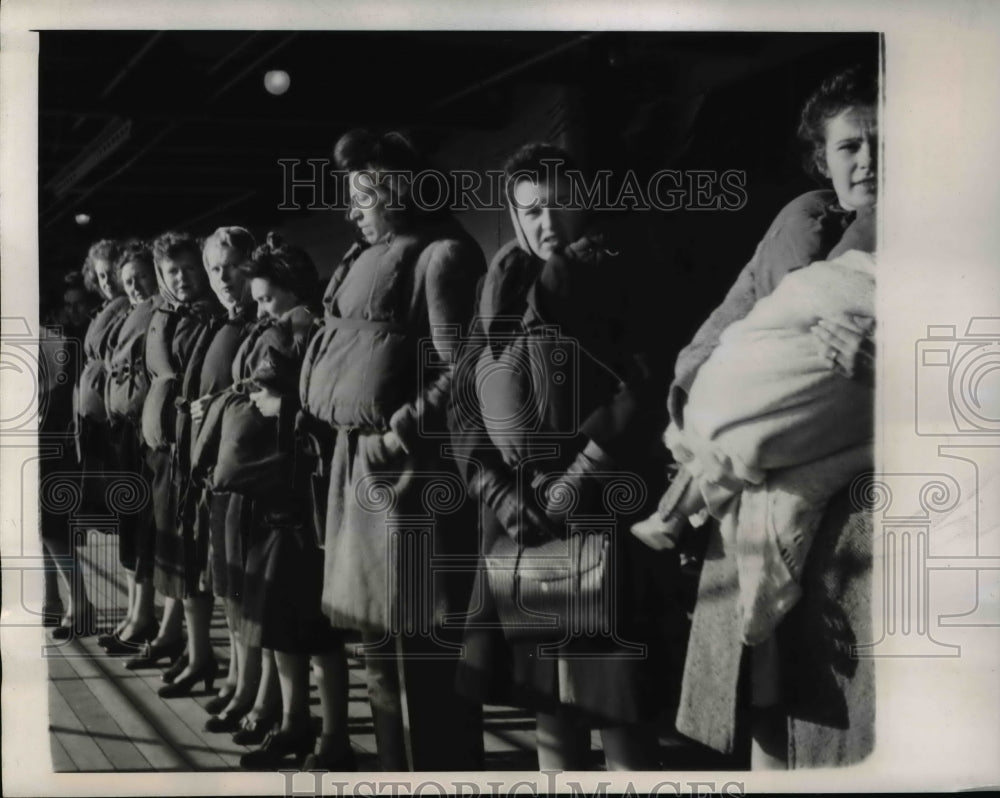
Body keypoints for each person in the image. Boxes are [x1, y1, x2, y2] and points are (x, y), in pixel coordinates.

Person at [635, 63, 878, 769]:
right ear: (821, 158)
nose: (868, 161)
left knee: (840, 735)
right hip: (752, 503)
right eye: (850, 146)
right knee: (768, 715)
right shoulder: (801, 227)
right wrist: (705, 405)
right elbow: (721, 334)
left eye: (886, 142)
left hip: (855, 542)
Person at [452, 143, 686, 771]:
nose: (545, 223)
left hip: (598, 515)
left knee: (615, 704)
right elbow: (465, 403)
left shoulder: (625, 270)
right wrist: (501, 493)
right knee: (545, 701)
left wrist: (579, 477)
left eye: (558, 204)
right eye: (530, 211)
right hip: (518, 522)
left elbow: (645, 383)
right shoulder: (497, 290)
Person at [288, 128, 486, 770]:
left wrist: (401, 430)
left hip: (410, 487)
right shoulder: (372, 257)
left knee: (419, 661)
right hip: (361, 477)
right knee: (380, 657)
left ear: (398, 192)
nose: (351, 211)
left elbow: (466, 369)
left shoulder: (443, 257)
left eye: (362, 197)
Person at [193, 234, 344, 769]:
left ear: (295, 289)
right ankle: (294, 721)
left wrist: (285, 405)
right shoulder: (275, 332)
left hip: (302, 502)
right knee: (278, 620)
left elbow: (331, 410)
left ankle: (333, 738)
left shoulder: (319, 337)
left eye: (266, 299)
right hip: (266, 500)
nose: (258, 309)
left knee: (316, 629)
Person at [139, 231, 223, 694]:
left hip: (194, 453)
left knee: (194, 559)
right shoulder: (163, 315)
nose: (184, 278)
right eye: (173, 271)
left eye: (191, 268)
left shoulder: (209, 318)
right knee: (175, 555)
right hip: (164, 452)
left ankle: (201, 654)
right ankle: (190, 648)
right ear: (161, 275)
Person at [100, 241, 163, 654]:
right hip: (124, 429)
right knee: (128, 526)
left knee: (143, 530)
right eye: (128, 281)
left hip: (145, 433)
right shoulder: (128, 313)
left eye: (141, 276)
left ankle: (144, 616)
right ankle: (133, 612)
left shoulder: (159, 311)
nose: (135, 285)